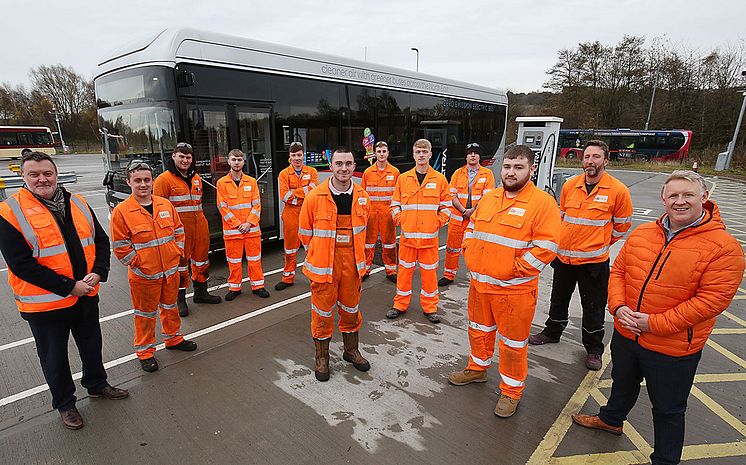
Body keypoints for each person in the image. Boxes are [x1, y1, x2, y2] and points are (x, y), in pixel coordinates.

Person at [572, 170, 745, 465]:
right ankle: (611, 419)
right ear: (663, 199)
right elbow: (620, 272)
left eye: (688, 195)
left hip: (673, 347)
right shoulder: (642, 234)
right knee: (621, 382)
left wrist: (654, 324)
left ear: (704, 198)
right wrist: (618, 307)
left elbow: (710, 302)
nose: (680, 201)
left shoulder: (724, 248)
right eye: (673, 195)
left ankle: (665, 460)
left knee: (668, 408)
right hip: (628, 333)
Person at [0, 151, 128, 430]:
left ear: (56, 175)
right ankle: (65, 405)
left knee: (92, 347)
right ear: (23, 176)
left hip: (86, 296)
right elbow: (21, 265)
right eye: (34, 174)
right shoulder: (10, 212)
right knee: (54, 358)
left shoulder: (78, 202)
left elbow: (101, 241)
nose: (42, 179)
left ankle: (96, 384)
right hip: (45, 306)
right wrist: (70, 287)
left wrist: (99, 272)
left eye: (47, 173)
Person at [447, 145, 561, 418]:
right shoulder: (490, 198)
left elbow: (546, 247)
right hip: (480, 286)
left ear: (531, 169)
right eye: (507, 166)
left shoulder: (542, 203)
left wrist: (514, 269)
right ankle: (477, 368)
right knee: (478, 330)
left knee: (512, 344)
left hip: (513, 292)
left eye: (518, 167)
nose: (511, 172)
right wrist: (469, 252)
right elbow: (471, 228)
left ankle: (511, 392)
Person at [529, 140, 633, 370]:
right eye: (587, 157)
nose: (590, 161)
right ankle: (552, 331)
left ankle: (594, 348)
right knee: (558, 299)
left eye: (596, 157)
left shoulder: (617, 190)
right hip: (564, 258)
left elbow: (622, 226)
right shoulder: (570, 185)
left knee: (594, 306)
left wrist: (600, 243)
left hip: (593, 262)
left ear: (606, 161)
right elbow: (562, 217)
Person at [111, 160, 198, 373]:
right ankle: (145, 351)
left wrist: (176, 254)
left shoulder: (164, 205)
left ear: (152, 181)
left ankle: (173, 338)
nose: (143, 184)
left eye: (147, 180)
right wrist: (139, 263)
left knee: (170, 308)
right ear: (128, 182)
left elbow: (178, 231)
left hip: (169, 272)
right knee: (145, 315)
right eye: (137, 180)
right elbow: (120, 247)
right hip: (144, 276)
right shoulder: (122, 212)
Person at [298, 147, 370, 381]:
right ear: (331, 167)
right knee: (322, 314)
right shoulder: (314, 197)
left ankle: (351, 351)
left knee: (351, 310)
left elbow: (365, 233)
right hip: (324, 267)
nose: (344, 168)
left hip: (352, 264)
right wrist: (318, 255)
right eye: (339, 164)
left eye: (348, 163)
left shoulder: (362, 196)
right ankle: (322, 358)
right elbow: (304, 233)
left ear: (353, 166)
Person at [153, 142, 221, 316]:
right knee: (180, 265)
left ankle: (200, 292)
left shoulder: (196, 178)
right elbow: (158, 209)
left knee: (201, 261)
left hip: (200, 228)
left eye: (188, 157)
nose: (185, 160)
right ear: (174, 156)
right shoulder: (163, 180)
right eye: (181, 156)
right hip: (178, 231)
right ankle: (180, 299)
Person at [388, 139, 450, 323]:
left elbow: (446, 208)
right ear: (413, 154)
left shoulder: (439, 179)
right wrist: (401, 220)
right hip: (407, 239)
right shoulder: (403, 178)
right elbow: (394, 205)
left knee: (430, 276)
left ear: (431, 154)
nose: (421, 155)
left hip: (429, 241)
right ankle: (400, 304)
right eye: (418, 151)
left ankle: (430, 308)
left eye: (424, 151)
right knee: (404, 274)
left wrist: (436, 223)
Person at [438, 142, 495, 286]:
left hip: (476, 219)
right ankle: (449, 275)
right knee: (452, 249)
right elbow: (451, 195)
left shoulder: (487, 174)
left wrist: (472, 211)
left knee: (476, 249)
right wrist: (464, 211)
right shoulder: (458, 173)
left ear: (480, 156)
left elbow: (487, 197)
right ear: (466, 157)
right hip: (458, 218)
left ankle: (477, 276)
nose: (473, 155)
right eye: (470, 153)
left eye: (476, 153)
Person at [216, 149, 270, 300]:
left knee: (255, 260)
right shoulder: (221, 183)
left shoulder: (251, 181)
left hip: (251, 230)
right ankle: (234, 288)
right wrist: (239, 224)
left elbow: (257, 205)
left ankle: (258, 286)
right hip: (233, 231)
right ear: (229, 161)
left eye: (239, 160)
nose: (237, 162)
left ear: (244, 162)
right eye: (234, 159)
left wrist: (248, 223)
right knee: (233, 262)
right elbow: (222, 207)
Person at [276, 141, 319, 291]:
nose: (297, 158)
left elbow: (314, 192)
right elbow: (285, 196)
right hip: (290, 214)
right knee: (290, 248)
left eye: (299, 155)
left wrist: (296, 194)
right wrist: (304, 192)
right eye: (293, 155)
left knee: (312, 247)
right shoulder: (283, 174)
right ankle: (288, 278)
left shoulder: (312, 172)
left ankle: (315, 277)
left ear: (303, 155)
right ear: (289, 156)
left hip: (309, 212)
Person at [360, 141, 399, 283]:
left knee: (389, 244)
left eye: (384, 151)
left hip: (388, 214)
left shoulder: (395, 172)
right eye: (379, 151)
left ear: (388, 153)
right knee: (367, 243)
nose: (382, 154)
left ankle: (391, 270)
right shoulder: (367, 172)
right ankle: (365, 270)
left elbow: (398, 196)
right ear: (375, 154)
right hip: (371, 214)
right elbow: (362, 196)